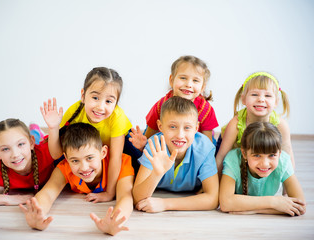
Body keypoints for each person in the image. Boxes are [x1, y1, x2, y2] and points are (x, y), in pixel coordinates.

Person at [19, 120, 134, 236]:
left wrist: (115, 221)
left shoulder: (122, 163)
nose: (84, 167)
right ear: (66, 158)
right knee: (41, 142)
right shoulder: (64, 167)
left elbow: (125, 197)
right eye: (75, 160)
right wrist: (38, 212)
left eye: (89, 158)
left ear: (103, 152)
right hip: (46, 144)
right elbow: (48, 192)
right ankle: (36, 131)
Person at [57, 67, 132, 202]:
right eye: (95, 97)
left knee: (135, 163)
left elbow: (115, 158)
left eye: (108, 101)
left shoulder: (117, 118)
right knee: (56, 159)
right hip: (91, 147)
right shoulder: (74, 111)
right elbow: (61, 148)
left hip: (118, 144)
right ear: (83, 95)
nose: (100, 107)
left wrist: (109, 193)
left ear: (115, 103)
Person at [132, 96, 219, 213]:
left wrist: (165, 204)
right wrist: (156, 174)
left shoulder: (205, 148)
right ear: (160, 126)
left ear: (196, 128)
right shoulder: (155, 145)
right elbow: (138, 198)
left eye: (187, 127)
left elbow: (213, 199)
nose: (180, 135)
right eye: (173, 127)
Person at [129, 55, 218, 153]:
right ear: (171, 80)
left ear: (202, 87)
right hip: (169, 143)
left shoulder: (205, 109)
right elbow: (150, 136)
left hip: (194, 147)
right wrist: (143, 146)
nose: (189, 84)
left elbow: (207, 144)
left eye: (195, 80)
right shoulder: (161, 105)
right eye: (183, 78)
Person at [219, 122, 305, 216]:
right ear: (244, 153)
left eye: (272, 155)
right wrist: (273, 202)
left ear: (279, 153)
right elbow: (226, 203)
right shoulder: (233, 159)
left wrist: (254, 210)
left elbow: (300, 206)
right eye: (256, 155)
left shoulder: (283, 161)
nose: (265, 164)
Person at [216, 72, 293, 174]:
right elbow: (221, 157)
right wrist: (216, 187)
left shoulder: (281, 125)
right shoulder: (236, 124)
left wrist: (287, 187)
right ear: (243, 98)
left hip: (260, 157)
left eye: (268, 95)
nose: (261, 99)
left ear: (276, 102)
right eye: (254, 94)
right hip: (236, 155)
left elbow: (287, 156)